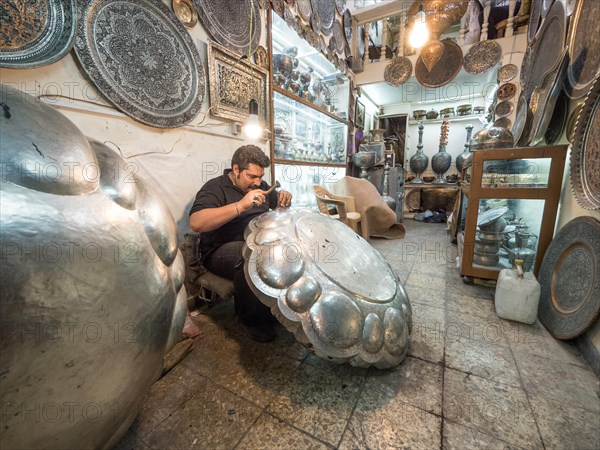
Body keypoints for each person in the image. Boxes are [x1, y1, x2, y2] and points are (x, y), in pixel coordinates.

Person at [189, 145, 292, 342]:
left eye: (260, 176)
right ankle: (251, 319)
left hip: (258, 241)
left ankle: (276, 307)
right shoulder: (215, 187)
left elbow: (277, 205)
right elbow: (196, 222)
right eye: (252, 176)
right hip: (219, 248)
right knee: (251, 255)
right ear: (236, 169)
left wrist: (284, 199)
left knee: (282, 251)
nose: (258, 182)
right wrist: (241, 205)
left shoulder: (260, 186)